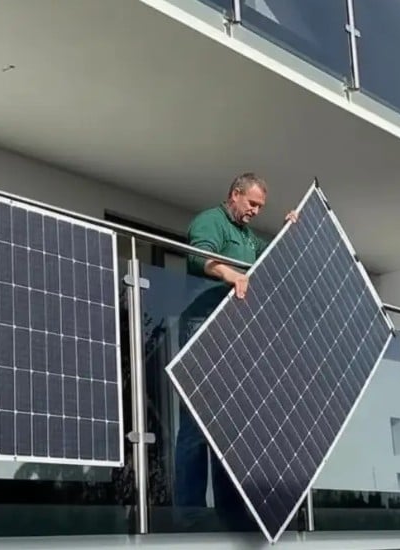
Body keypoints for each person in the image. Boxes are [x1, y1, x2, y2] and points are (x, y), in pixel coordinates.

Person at [174, 172, 297, 516]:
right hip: (202, 327)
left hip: (233, 333)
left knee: (228, 426)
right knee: (196, 423)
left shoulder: (247, 236)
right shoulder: (210, 221)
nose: (256, 211)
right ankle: (189, 514)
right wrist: (231, 274)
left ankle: (229, 513)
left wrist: (289, 231)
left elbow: (270, 260)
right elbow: (198, 255)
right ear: (235, 195)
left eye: (261, 207)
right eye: (252, 204)